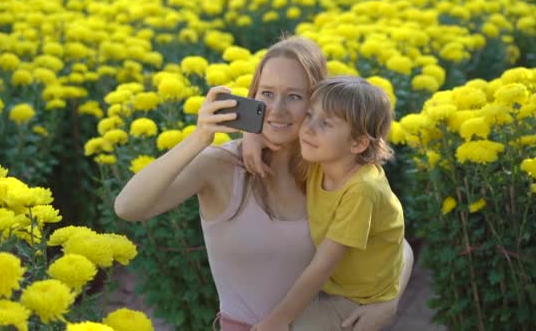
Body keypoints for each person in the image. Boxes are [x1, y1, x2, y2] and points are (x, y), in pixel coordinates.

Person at [114, 36, 413, 331]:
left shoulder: (327, 171)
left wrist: (388, 302)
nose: (277, 109)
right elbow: (128, 207)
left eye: (295, 97)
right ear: (253, 96)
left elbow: (394, 242)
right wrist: (200, 137)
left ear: (318, 102)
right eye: (267, 93)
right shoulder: (222, 165)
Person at [251, 76, 405, 331]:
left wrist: (278, 319)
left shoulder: (362, 190)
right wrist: (251, 136)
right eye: (309, 115)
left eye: (325, 123)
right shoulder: (320, 160)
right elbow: (275, 138)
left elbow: (323, 265)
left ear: (358, 143)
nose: (308, 128)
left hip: (359, 298)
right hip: (337, 282)